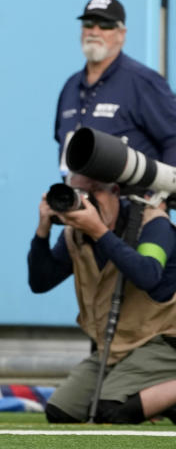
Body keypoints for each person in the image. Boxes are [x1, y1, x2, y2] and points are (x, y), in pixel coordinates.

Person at [30, 172, 176, 423]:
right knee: (61, 412)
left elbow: (148, 274)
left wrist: (99, 231)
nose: (87, 201)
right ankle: (157, 402)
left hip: (164, 342)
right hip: (120, 346)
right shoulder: (76, 235)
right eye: (78, 193)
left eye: (94, 191)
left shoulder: (153, 224)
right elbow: (41, 282)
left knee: (110, 411)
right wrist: (42, 230)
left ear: (116, 192)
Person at [54, 0, 176, 176]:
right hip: (82, 200)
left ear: (121, 34)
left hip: (131, 201)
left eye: (105, 26)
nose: (95, 32)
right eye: (88, 24)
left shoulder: (142, 82)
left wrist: (158, 200)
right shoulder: (71, 86)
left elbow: (173, 139)